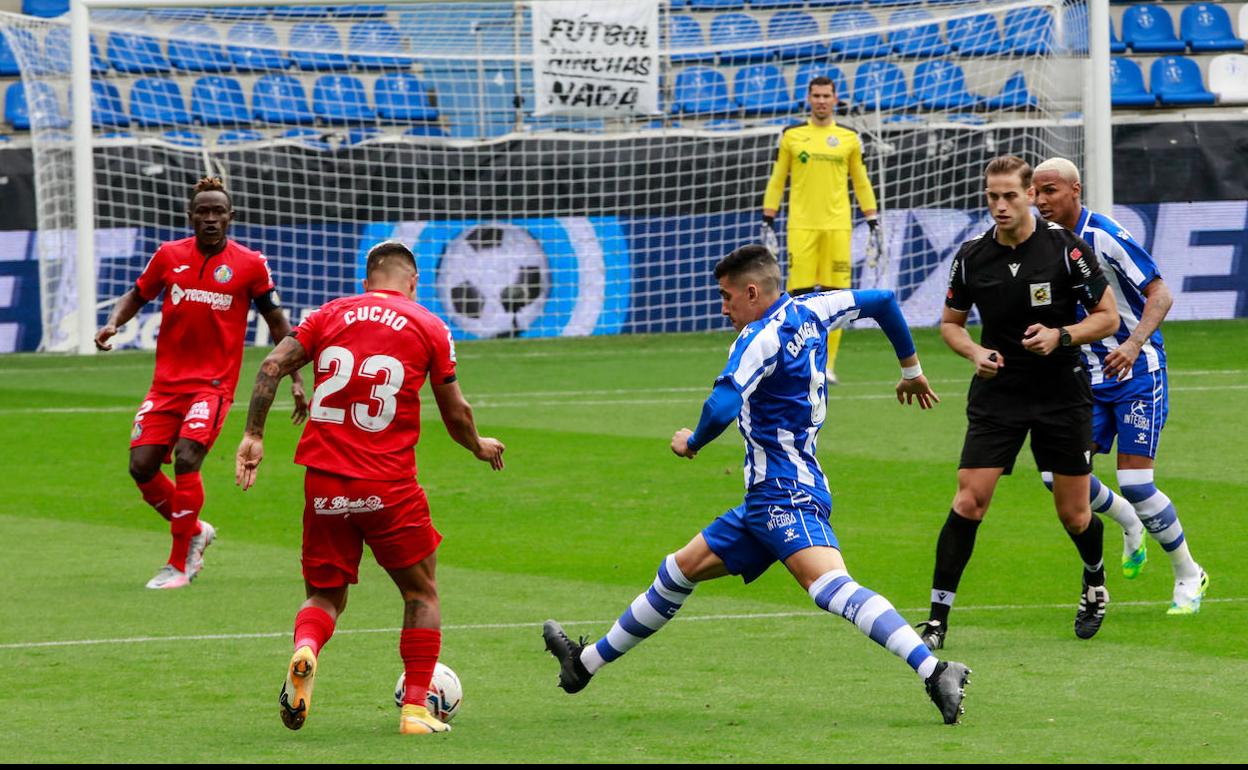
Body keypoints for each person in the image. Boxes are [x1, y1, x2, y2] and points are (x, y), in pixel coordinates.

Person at [542, 244, 973, 725]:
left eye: (727, 297)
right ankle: (583, 666)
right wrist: (910, 370)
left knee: (829, 585)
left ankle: (935, 670)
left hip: (784, 492)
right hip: (768, 497)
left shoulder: (758, 338)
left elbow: (722, 405)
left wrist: (693, 442)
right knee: (679, 570)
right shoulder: (815, 308)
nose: (723, 308)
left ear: (752, 292)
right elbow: (884, 302)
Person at [235, 240, 505, 736]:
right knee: (420, 591)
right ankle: (415, 711)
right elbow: (455, 413)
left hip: (324, 484)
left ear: (367, 281)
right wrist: (477, 445)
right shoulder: (429, 326)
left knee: (324, 595)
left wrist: (253, 435)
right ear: (413, 282)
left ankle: (307, 649)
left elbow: (271, 367)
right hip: (388, 485)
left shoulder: (327, 315)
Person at [916, 156, 1120, 651]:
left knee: (1073, 514)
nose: (1000, 205)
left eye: (1010, 195)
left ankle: (1094, 581)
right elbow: (950, 323)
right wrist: (974, 352)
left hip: (1061, 393)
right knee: (969, 499)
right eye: (992, 197)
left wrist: (1061, 335)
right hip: (999, 393)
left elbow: (1108, 318)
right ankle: (938, 618)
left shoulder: (1066, 250)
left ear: (1031, 194)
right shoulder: (971, 256)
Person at [94, 176, 308, 590]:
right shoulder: (168, 256)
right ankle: (194, 530)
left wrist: (296, 376)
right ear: (191, 216)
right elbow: (136, 295)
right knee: (141, 467)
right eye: (203, 212)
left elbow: (278, 322)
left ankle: (180, 564)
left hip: (213, 385)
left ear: (231, 217)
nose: (210, 218)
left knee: (189, 458)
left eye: (218, 211)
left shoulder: (250, 264)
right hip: (166, 386)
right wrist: (111, 323)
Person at [1032, 157, 1207, 614]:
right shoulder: (1039, 245)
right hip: (1083, 378)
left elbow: (1160, 292)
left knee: (1135, 480)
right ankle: (1129, 522)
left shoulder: (1103, 235)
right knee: (1056, 476)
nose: (1040, 200)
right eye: (1035, 191)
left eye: (1049, 190)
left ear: (1075, 190)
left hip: (1136, 372)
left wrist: (1131, 344)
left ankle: (1189, 573)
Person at [761, 75, 881, 385]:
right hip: (801, 227)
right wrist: (768, 217)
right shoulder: (792, 136)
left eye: (827, 95)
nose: (822, 100)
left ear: (836, 99)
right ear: (809, 98)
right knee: (796, 297)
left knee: (837, 297)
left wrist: (872, 220)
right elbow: (777, 179)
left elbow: (861, 181)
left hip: (838, 228)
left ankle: (826, 365)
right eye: (816, 95)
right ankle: (797, 361)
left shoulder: (849, 138)